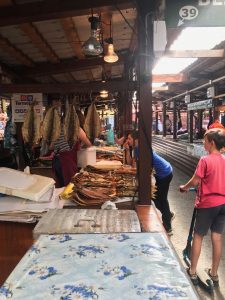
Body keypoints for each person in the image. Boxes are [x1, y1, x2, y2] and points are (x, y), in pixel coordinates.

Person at [179, 128, 225, 286]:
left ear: (212, 143)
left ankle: (192, 272)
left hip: (208, 203)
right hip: (223, 204)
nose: (203, 143)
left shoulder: (205, 160)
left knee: (198, 236)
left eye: (205, 141)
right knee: (217, 238)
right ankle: (214, 273)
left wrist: (184, 187)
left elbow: (195, 181)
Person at [125, 131, 175, 235]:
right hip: (160, 174)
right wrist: (126, 150)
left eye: (129, 139)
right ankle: (168, 214)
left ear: (136, 140)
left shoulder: (143, 149)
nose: (128, 141)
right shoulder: (137, 149)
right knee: (156, 199)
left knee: (161, 199)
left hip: (165, 173)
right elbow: (131, 164)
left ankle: (168, 227)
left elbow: (141, 168)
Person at [49, 97, 92, 187]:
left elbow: (51, 147)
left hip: (57, 161)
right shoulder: (77, 129)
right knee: (70, 186)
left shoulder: (58, 128)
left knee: (60, 186)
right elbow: (89, 145)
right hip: (67, 162)